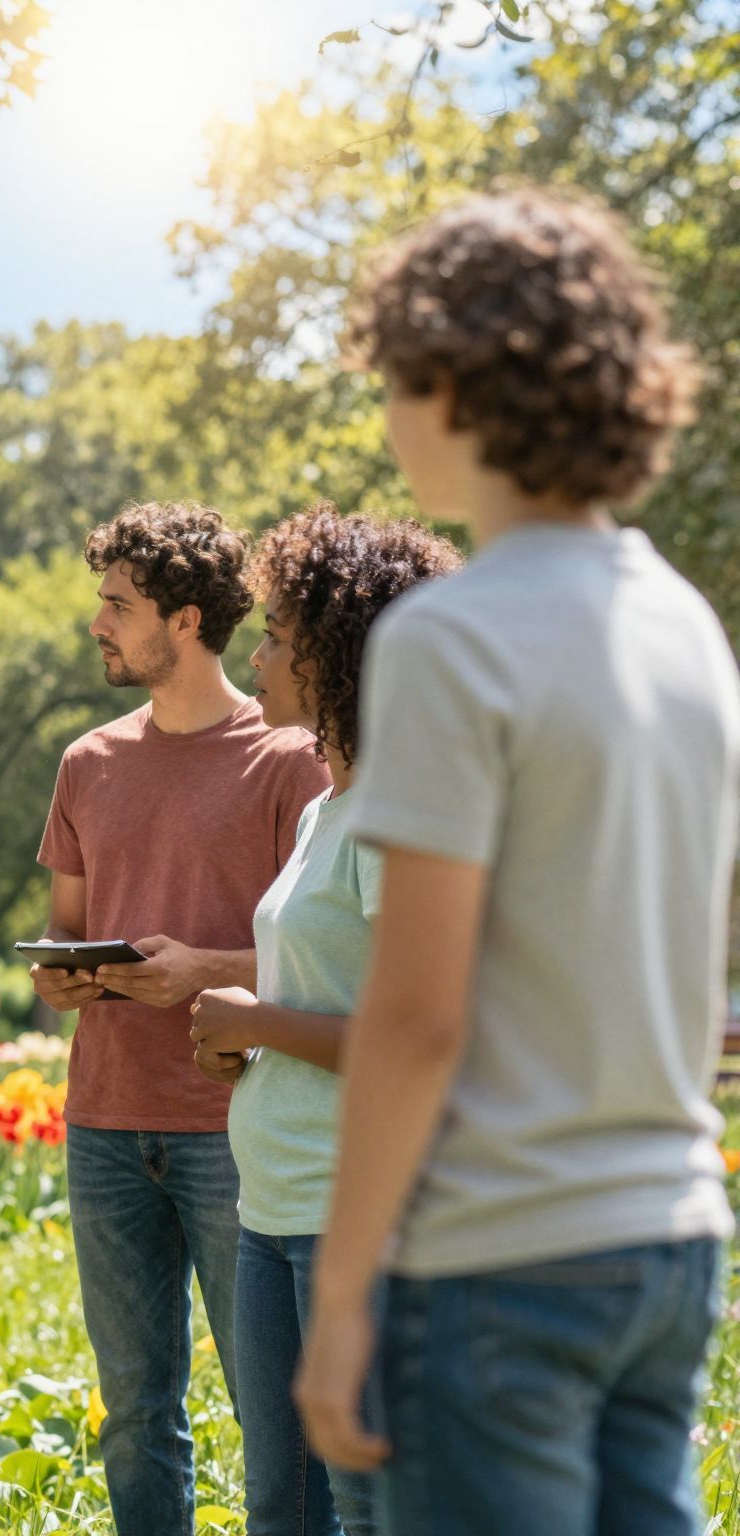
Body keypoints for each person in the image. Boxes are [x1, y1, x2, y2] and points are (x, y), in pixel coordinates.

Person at [296, 189, 740, 1536]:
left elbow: (421, 1015)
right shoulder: (686, 628)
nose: (385, 413)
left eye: (391, 378)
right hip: (668, 1243)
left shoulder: (450, 635)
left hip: (498, 1262)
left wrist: (343, 1290)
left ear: (454, 381)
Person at [31, 503, 330, 1536]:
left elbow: (328, 951)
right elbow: (64, 932)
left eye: (116, 604)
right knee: (133, 1412)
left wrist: (202, 970)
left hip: (234, 1127)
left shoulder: (290, 758)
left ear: (187, 620)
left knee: (270, 1411)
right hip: (104, 1121)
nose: (96, 623)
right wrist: (63, 980)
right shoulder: (85, 763)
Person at [186, 506, 460, 1536]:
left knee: (367, 1502)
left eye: (274, 639)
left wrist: (260, 1017)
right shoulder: (319, 811)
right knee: (278, 1507)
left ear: (340, 656)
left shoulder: (400, 814)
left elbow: (427, 1031)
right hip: (271, 1205)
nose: (251, 659)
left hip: (364, 1216)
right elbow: (327, 997)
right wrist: (243, 1041)